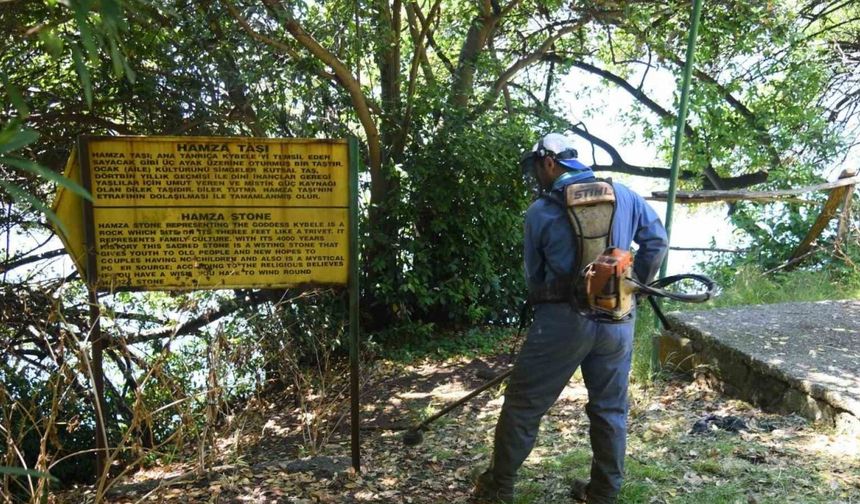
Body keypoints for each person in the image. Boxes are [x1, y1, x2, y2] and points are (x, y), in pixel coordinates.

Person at [473, 133, 668, 504]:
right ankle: (603, 493)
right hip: (617, 318)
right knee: (610, 408)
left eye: (536, 168)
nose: (536, 176)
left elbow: (535, 277)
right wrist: (632, 285)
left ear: (549, 163)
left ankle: (497, 489)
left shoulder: (541, 211)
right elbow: (657, 242)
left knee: (525, 405)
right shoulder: (623, 194)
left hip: (562, 323)